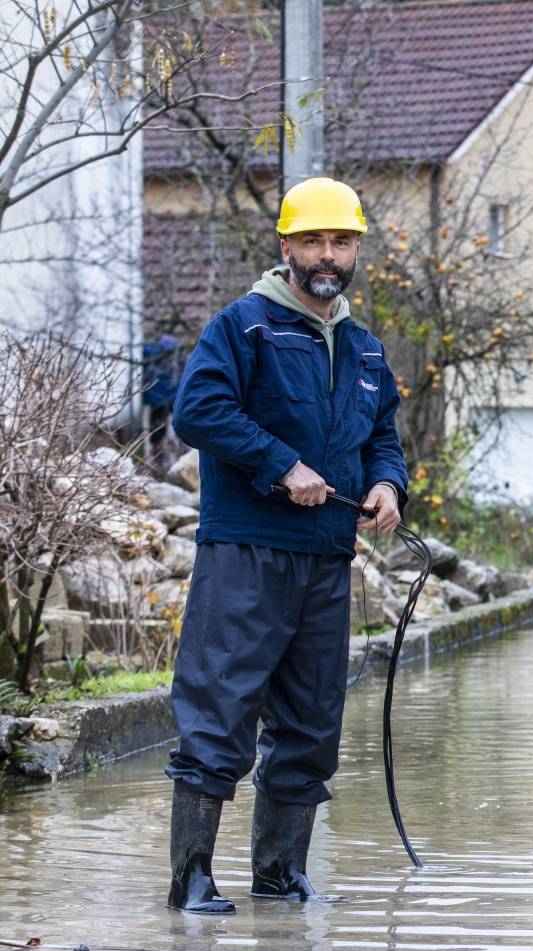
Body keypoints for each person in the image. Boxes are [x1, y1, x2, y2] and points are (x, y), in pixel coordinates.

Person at [165, 176, 408, 913]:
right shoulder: (243, 327)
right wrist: (280, 465)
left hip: (328, 556)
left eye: (340, 240)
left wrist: (388, 486)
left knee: (310, 718)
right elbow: (197, 411)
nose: (326, 254)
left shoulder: (365, 350)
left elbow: (383, 437)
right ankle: (193, 880)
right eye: (312, 240)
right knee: (220, 708)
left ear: (357, 247)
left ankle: (279, 874)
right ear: (286, 245)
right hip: (247, 550)